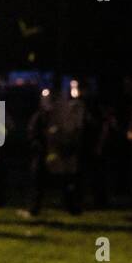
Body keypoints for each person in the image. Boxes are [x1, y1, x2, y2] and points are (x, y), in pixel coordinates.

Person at [28, 84, 84, 215]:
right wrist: (42, 148)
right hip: (44, 154)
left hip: (61, 154)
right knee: (38, 182)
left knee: (68, 181)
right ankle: (35, 208)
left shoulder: (62, 116)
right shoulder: (39, 117)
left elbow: (70, 133)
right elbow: (33, 135)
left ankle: (72, 207)